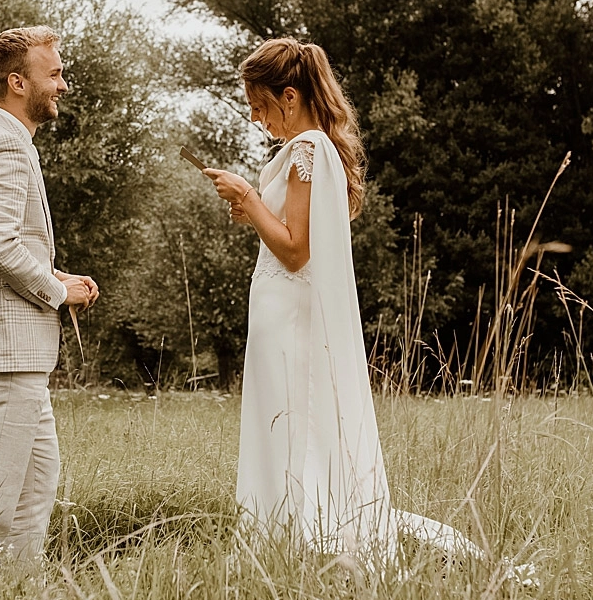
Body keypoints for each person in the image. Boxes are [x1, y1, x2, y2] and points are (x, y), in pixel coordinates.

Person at [203, 38, 485, 561]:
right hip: (280, 316)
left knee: (290, 426)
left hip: (288, 317)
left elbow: (295, 251)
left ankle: (300, 538)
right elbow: (288, 231)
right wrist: (256, 212)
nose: (255, 117)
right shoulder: (312, 149)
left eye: (259, 106)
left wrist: (246, 195)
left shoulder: (308, 149)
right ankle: (285, 534)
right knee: (284, 424)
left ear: (289, 96)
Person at [0, 25, 98, 564]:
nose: (62, 84)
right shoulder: (4, 146)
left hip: (16, 348)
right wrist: (56, 293)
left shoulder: (7, 142)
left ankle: (20, 593)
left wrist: (58, 277)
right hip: (4, 348)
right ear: (18, 82)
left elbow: (7, 247)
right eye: (53, 74)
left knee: (36, 484)